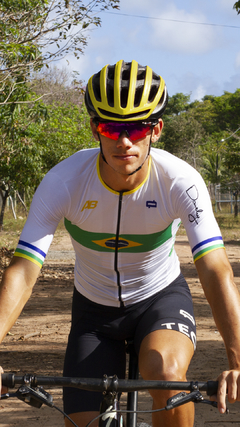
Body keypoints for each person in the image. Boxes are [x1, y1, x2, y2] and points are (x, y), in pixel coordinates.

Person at [0, 59, 240, 427]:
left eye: (137, 127)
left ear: (156, 129)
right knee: (81, 422)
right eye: (111, 127)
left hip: (159, 300)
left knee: (166, 374)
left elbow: (215, 268)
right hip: (94, 314)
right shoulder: (64, 181)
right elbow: (24, 269)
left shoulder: (179, 180)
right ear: (95, 129)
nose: (124, 140)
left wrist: (238, 361)